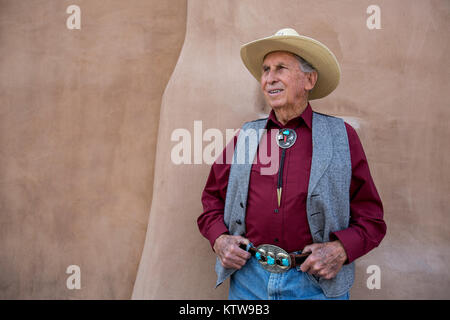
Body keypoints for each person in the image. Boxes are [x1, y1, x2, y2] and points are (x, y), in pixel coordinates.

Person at [197, 28, 386, 300]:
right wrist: (220, 239)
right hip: (249, 282)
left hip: (316, 285)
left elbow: (371, 218)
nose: (269, 79)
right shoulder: (246, 137)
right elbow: (211, 200)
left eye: (281, 68)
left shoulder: (342, 136)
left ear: (309, 79)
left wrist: (341, 250)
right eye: (265, 70)